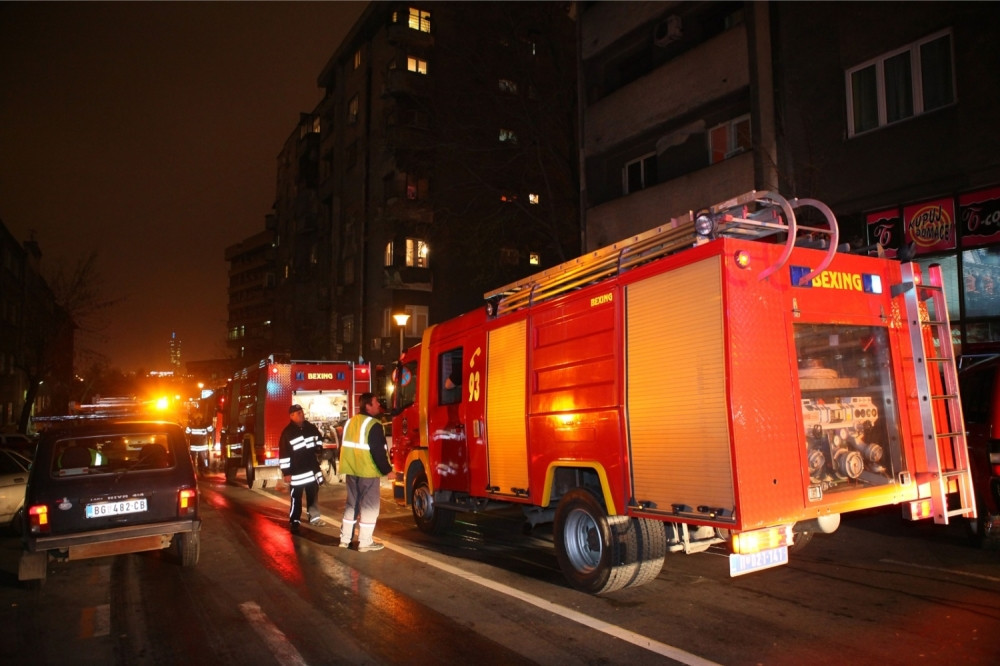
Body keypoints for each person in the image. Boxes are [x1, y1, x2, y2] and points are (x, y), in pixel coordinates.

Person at [338, 392, 392, 551]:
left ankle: (344, 539)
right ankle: (365, 542)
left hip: (351, 469)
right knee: (370, 507)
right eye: (375, 402)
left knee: (351, 505)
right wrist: (388, 471)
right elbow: (378, 452)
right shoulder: (373, 425)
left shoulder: (350, 422)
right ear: (368, 406)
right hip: (368, 472)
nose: (378, 405)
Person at [279, 404, 325, 534]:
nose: (302, 414)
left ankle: (314, 517)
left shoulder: (310, 427)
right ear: (291, 416)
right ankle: (295, 520)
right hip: (297, 472)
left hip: (311, 469)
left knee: (313, 495)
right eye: (298, 413)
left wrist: (319, 448)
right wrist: (286, 472)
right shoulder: (287, 433)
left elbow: (319, 439)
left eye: (302, 412)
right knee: (296, 497)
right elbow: (284, 454)